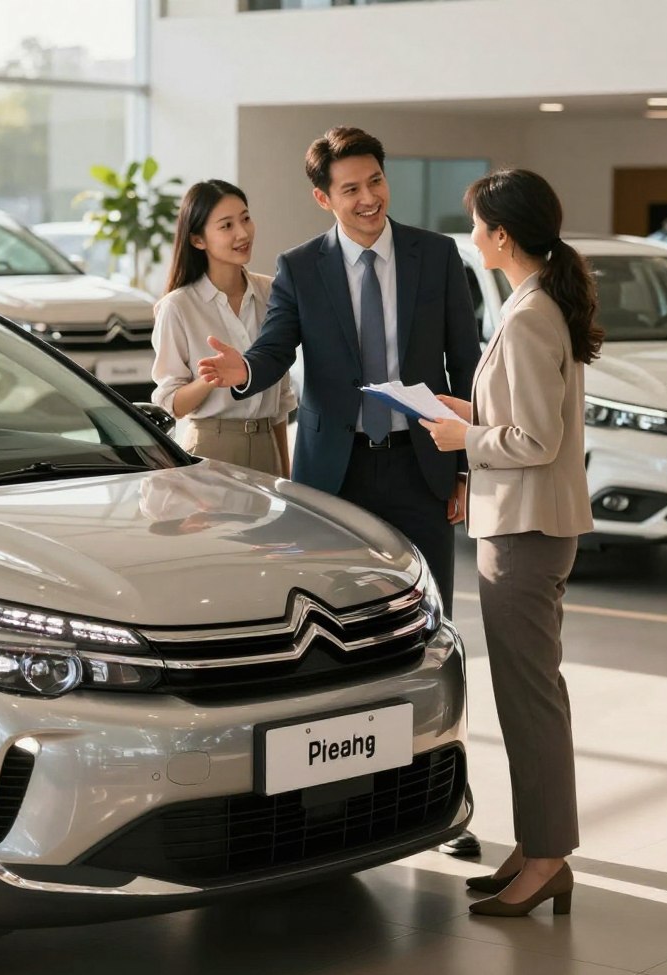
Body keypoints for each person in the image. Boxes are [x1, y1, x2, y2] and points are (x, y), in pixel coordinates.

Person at [197, 127, 483, 856]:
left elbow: (466, 363)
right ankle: (326, 797)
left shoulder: (436, 254)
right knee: (331, 642)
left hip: (420, 469)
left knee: (429, 636)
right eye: (350, 188)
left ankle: (441, 793)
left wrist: (464, 471)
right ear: (324, 197)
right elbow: (272, 353)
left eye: (376, 181)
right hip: (334, 477)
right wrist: (239, 374)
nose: (369, 198)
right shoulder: (301, 267)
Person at [420, 168, 603, 916]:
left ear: (501, 234)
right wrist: (467, 410)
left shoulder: (529, 316)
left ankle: (548, 858)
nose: (471, 237)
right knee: (530, 697)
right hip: (529, 525)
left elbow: (532, 437)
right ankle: (536, 848)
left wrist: (466, 437)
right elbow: (522, 415)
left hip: (524, 530)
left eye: (476, 225)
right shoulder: (537, 303)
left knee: (529, 702)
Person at [151, 179, 295, 477]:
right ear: (197, 240)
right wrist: (209, 380)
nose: (243, 233)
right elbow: (171, 405)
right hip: (210, 448)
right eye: (226, 225)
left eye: (245, 218)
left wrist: (284, 471)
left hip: (268, 443)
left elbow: (281, 400)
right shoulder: (177, 307)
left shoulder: (274, 293)